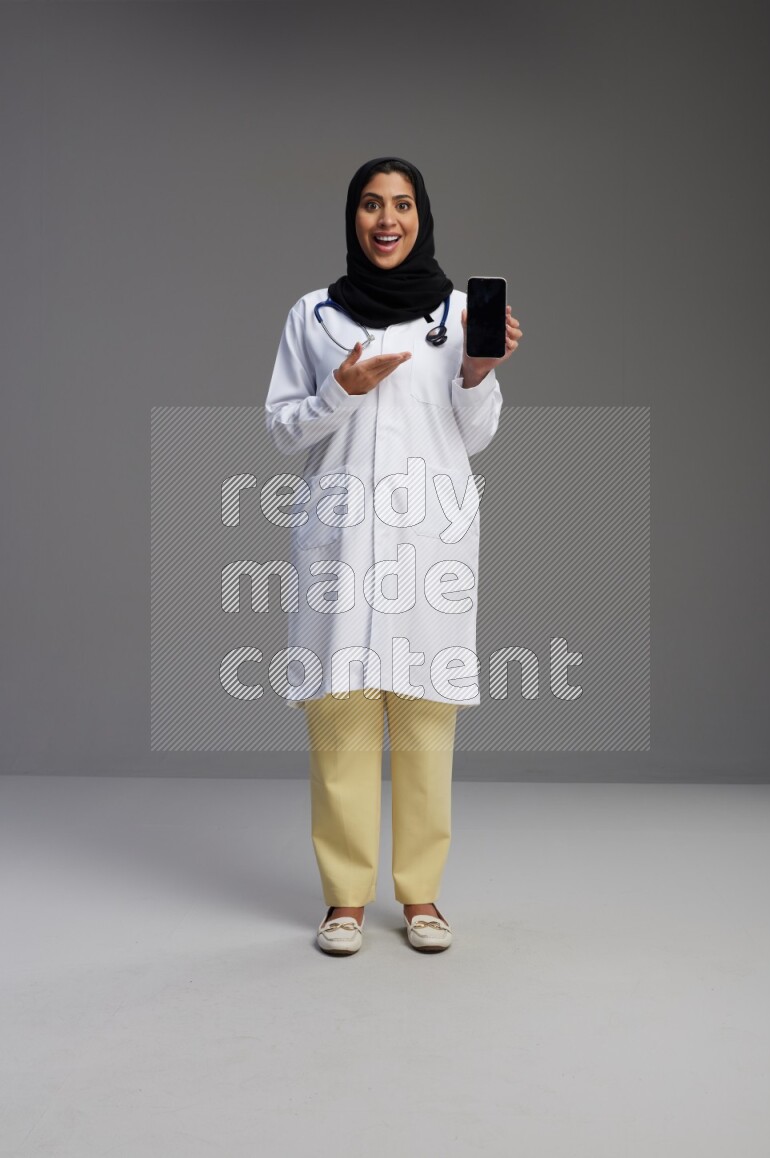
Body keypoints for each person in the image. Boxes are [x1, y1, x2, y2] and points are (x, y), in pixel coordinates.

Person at [264, 156, 523, 954]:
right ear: (353, 217)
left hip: (428, 543)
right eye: (372, 205)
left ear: (422, 216)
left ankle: (421, 899)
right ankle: (344, 900)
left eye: (402, 205)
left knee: (423, 721)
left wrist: (477, 371)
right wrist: (339, 389)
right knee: (339, 716)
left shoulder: (453, 316)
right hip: (341, 542)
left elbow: (475, 438)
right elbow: (280, 429)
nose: (386, 219)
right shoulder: (314, 316)